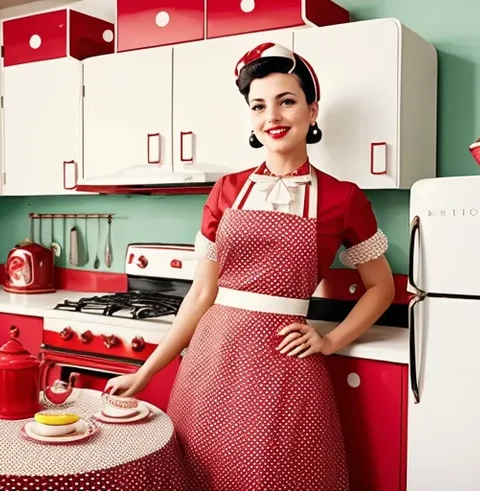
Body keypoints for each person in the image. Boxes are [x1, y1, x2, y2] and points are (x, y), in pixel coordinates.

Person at [104, 42, 396, 490]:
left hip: (284, 365)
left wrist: (331, 340)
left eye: (287, 101)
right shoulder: (227, 189)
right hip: (212, 359)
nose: (272, 117)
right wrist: (145, 373)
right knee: (202, 473)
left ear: (312, 111)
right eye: (258, 106)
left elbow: (382, 287)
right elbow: (201, 294)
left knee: (276, 473)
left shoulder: (344, 198)